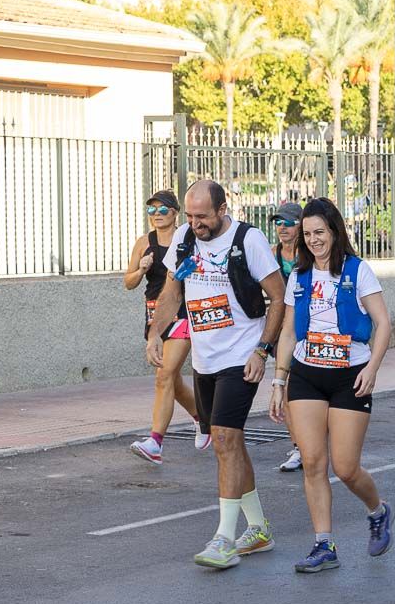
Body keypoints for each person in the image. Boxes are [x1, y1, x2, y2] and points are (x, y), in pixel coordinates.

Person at [146, 180, 285, 569]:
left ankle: (224, 538)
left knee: (224, 438)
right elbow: (172, 291)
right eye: (190, 216)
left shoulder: (248, 239)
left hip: (241, 357)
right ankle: (258, 528)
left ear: (223, 209)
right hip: (204, 360)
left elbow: (278, 297)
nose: (195, 223)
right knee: (231, 444)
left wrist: (263, 350)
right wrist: (155, 333)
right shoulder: (186, 239)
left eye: (202, 216)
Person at [269, 198, 395, 573]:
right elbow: (290, 330)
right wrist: (279, 380)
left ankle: (378, 510)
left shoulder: (358, 271)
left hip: (349, 375)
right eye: (307, 234)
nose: (313, 240)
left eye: (319, 232)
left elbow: (383, 323)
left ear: (335, 231)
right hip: (307, 373)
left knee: (345, 467)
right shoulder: (299, 275)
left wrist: (373, 367)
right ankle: (324, 544)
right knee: (312, 462)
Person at [124, 190, 207, 463]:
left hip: (182, 310)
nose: (157, 215)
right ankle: (201, 418)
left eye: (162, 210)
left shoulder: (187, 239)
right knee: (172, 378)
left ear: (174, 213)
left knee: (164, 374)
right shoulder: (143, 243)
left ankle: (155, 442)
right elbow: (128, 282)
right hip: (154, 315)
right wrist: (142, 269)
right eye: (152, 210)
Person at [270, 202, 306, 473]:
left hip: (311, 329)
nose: (282, 227)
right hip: (283, 332)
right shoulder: (271, 255)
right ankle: (299, 447)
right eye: (278, 222)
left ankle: (312, 441)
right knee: (288, 390)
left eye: (289, 222)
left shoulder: (310, 255)